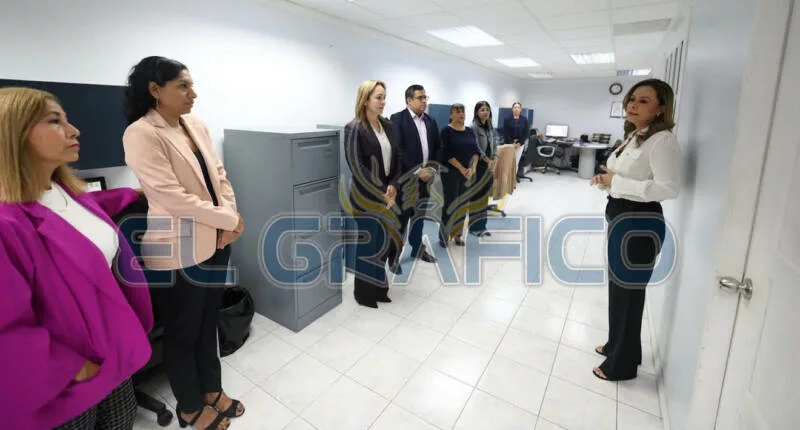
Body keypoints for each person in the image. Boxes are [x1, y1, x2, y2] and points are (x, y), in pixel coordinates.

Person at [0, 87, 153, 429]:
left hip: (110, 349)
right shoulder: (7, 223)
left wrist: (130, 193)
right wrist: (69, 368)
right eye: (55, 121)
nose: (74, 130)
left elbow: (82, 211)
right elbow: (6, 328)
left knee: (122, 420)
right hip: (65, 378)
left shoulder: (64, 190)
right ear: (14, 133)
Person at [122, 56, 244, 430]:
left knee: (208, 322)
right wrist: (228, 220)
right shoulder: (142, 133)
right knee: (183, 331)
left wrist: (231, 218)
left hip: (217, 240)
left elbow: (220, 176)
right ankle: (190, 405)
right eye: (183, 86)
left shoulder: (196, 125)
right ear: (155, 90)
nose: (193, 93)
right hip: (177, 249)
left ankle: (212, 390)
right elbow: (173, 198)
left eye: (192, 85)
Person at [590, 78, 681, 381]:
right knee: (619, 290)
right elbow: (625, 175)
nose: (633, 104)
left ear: (661, 108)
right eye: (632, 99)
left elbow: (668, 188)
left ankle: (622, 365)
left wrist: (615, 182)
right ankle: (618, 346)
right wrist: (607, 181)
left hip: (639, 223)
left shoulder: (662, 141)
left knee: (628, 294)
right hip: (621, 217)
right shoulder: (635, 135)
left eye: (644, 101)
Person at [344, 79, 402, 308]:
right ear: (365, 99)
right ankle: (364, 294)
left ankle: (380, 289)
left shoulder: (387, 126)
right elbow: (357, 166)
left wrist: (393, 184)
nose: (383, 101)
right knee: (368, 245)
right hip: (366, 197)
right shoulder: (354, 128)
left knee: (382, 244)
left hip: (387, 194)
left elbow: (397, 158)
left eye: (384, 97)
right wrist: (381, 191)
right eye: (378, 97)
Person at [389, 84, 441, 265]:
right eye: (420, 98)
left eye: (425, 97)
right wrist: (418, 171)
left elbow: (437, 148)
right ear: (409, 100)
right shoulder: (397, 119)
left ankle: (417, 249)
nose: (424, 101)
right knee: (401, 220)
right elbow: (398, 150)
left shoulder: (430, 121)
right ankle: (394, 255)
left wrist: (431, 169)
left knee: (419, 218)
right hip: (407, 181)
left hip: (426, 180)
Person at [439, 103, 481, 247]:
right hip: (450, 173)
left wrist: (473, 168)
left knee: (463, 204)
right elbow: (446, 154)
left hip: (467, 173)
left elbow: (476, 151)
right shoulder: (446, 131)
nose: (461, 114)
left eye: (462, 111)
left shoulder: (469, 131)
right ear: (451, 115)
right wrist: (462, 168)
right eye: (457, 112)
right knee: (450, 204)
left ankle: (457, 235)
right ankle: (444, 235)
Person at [468, 101, 498, 237]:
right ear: (477, 112)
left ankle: (482, 226)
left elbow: (494, 143)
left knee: (485, 197)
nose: (485, 112)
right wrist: (487, 159)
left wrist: (494, 157)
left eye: (487, 109)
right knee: (477, 197)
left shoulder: (490, 126)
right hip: (478, 165)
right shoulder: (473, 127)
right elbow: (475, 147)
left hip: (488, 165)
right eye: (482, 110)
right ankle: (474, 228)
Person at [502, 102, 530, 181]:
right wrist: (512, 143)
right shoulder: (507, 119)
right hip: (509, 144)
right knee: (508, 162)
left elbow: (526, 133)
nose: (516, 109)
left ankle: (512, 179)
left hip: (520, 145)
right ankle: (506, 179)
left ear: (520, 109)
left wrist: (519, 143)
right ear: (512, 109)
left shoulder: (524, 120)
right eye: (515, 107)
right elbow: (505, 132)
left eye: (518, 107)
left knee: (516, 162)